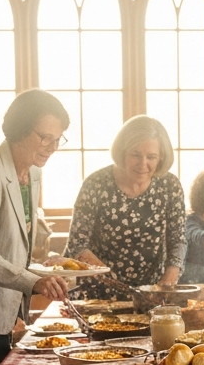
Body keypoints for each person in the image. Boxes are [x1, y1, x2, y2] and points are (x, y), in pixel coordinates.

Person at [0, 90, 72, 365]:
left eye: (57, 139)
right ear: (18, 130)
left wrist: (44, 269)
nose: (51, 146)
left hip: (9, 309)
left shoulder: (32, 171)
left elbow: (15, 241)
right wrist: (32, 281)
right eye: (44, 137)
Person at [66, 115, 186, 297]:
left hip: (151, 292)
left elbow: (178, 239)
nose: (143, 164)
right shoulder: (96, 184)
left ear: (161, 158)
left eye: (151, 157)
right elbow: (77, 244)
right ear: (123, 152)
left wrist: (170, 278)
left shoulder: (170, 185)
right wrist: (109, 278)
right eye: (135, 155)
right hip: (97, 290)